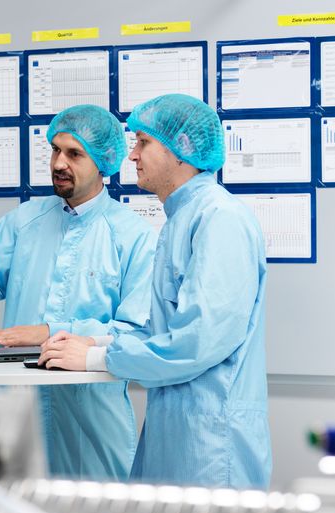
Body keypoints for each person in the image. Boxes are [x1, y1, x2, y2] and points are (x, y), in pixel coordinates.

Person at [39, 94, 272, 489]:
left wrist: (97, 357)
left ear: (182, 149)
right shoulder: (181, 218)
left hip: (211, 443)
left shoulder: (219, 219)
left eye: (144, 142)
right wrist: (91, 341)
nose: (132, 156)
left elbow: (199, 340)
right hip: (180, 431)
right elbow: (160, 327)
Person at [0, 104, 156, 481]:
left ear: (103, 162)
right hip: (16, 406)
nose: (59, 163)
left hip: (92, 413)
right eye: (56, 150)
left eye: (74, 154)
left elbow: (135, 330)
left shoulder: (133, 236)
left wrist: (48, 331)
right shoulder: (25, 221)